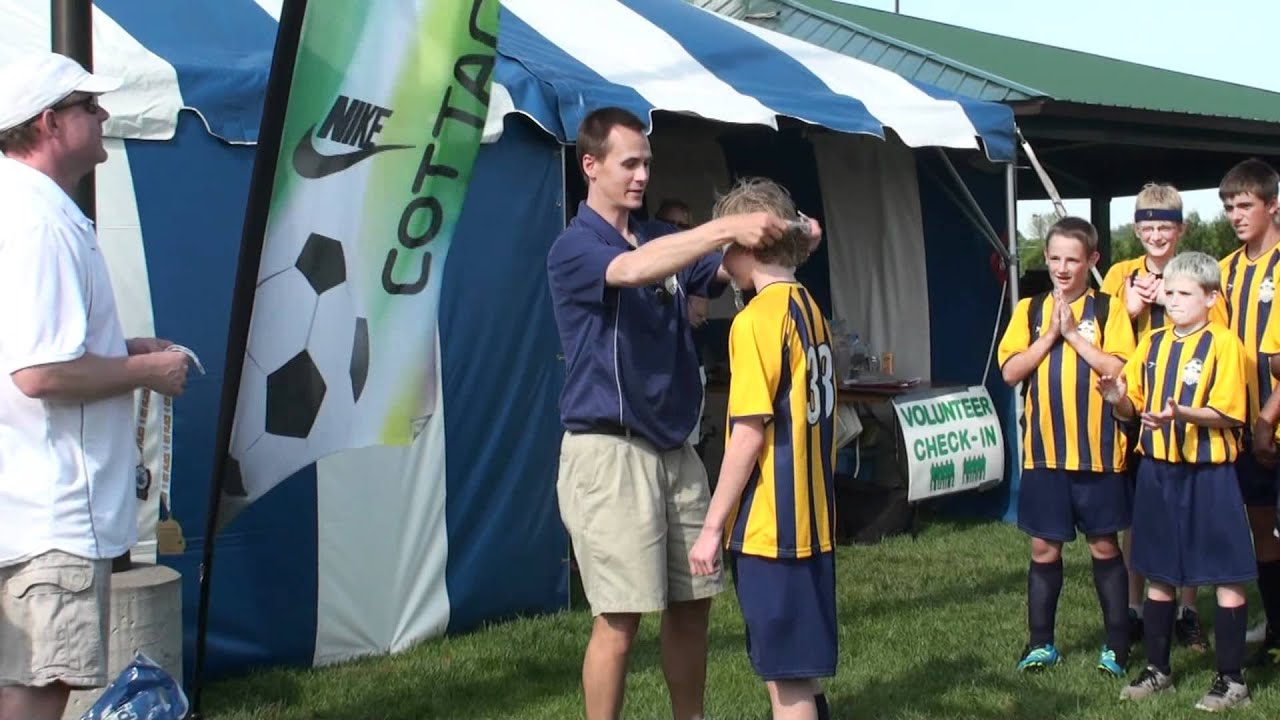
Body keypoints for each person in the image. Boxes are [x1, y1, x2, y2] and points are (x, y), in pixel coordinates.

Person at [546, 106, 810, 720]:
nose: (642, 175)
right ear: (590, 166)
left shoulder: (660, 237)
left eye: (646, 163)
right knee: (619, 620)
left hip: (676, 447)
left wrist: (790, 237)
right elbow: (632, 271)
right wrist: (725, 228)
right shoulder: (574, 247)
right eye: (629, 164)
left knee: (694, 605)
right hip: (610, 452)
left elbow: (732, 267)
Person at [0, 52, 191, 720]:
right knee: (41, 682)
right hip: (52, 510)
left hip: (25, 499)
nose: (104, 114)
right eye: (88, 105)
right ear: (48, 123)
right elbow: (39, 373)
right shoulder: (42, 223)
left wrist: (119, 350)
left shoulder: (23, 208)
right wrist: (146, 371)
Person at [689, 177, 835, 720]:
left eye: (726, 244)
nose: (722, 260)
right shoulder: (808, 307)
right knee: (802, 671)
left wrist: (711, 527)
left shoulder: (754, 321)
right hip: (813, 521)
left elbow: (748, 432)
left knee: (785, 683)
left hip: (773, 529)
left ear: (748, 244)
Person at [1098, 251, 1254, 711]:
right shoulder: (1152, 344)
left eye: (1185, 293)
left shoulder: (1225, 344)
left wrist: (1181, 413)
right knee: (1159, 572)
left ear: (1211, 298)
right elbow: (1132, 405)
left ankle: (1232, 680)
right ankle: (1158, 669)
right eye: (1169, 292)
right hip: (1158, 471)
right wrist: (1117, 398)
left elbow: (1230, 413)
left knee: (1226, 575)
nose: (1173, 300)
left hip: (1210, 474)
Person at [996, 216, 1137, 677]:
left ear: (1092, 260)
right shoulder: (1029, 309)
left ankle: (1116, 646)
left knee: (1104, 547)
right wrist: (1050, 336)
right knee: (1044, 549)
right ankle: (1041, 644)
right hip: (1045, 453)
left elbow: (1119, 368)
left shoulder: (1109, 310)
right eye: (1054, 258)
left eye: (1072, 260)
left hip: (1099, 453)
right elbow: (1011, 372)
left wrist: (1073, 334)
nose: (1061, 268)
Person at [1100, 182, 1209, 651]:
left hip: (1188, 405)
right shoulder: (1119, 274)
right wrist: (1128, 310)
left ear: (1180, 229)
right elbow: (1101, 333)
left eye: (1165, 227)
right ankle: (1135, 607)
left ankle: (1188, 609)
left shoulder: (1197, 269)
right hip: (1137, 405)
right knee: (1138, 514)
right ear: (1136, 229)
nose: (1157, 235)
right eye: (1149, 227)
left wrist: (1168, 300)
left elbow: (1218, 328)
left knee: (1189, 512)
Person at [1214, 158, 1280, 666]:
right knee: (1261, 529)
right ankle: (1276, 624)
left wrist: (1267, 418)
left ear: (1273, 205)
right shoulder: (1225, 270)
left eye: (1245, 205)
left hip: (1269, 423)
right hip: (1244, 429)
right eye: (1229, 207)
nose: (1236, 215)